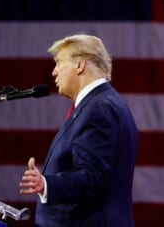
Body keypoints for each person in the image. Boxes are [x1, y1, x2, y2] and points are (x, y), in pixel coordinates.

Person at [20, 33, 139, 226]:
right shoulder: (105, 103)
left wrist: (46, 184)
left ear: (80, 65)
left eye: (59, 63)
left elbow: (93, 178)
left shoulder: (98, 109)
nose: (54, 72)